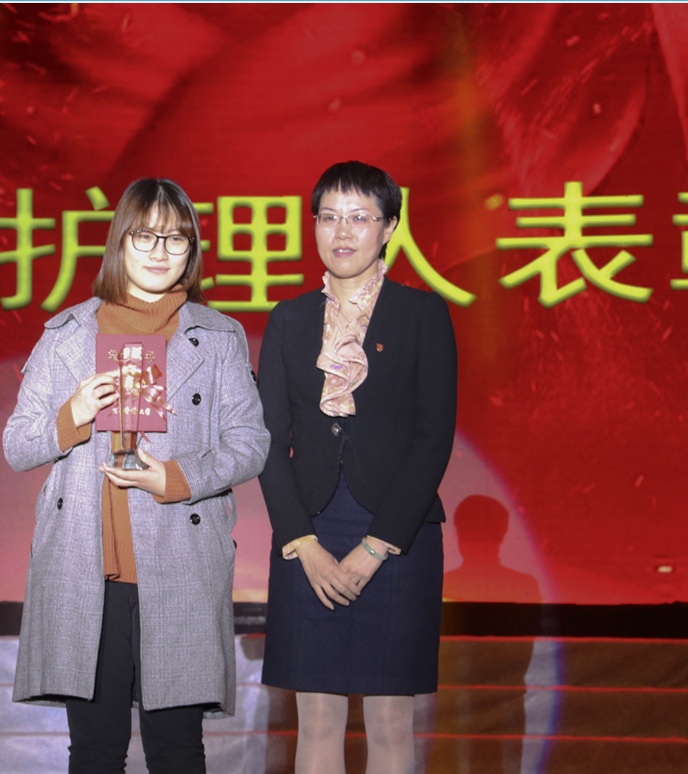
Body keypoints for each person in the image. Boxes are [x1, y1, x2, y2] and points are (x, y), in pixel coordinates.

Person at [3, 178, 269, 774]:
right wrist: (72, 414)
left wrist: (175, 478)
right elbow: (17, 445)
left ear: (191, 251)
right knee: (94, 753)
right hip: (84, 568)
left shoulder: (217, 337)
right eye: (144, 235)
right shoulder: (67, 334)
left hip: (180, 562)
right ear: (119, 242)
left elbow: (251, 445)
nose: (159, 251)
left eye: (175, 239)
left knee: (177, 753)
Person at [257, 161, 457, 774]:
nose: (342, 232)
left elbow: (433, 440)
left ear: (389, 227)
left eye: (360, 217)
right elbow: (268, 442)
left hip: (397, 537)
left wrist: (375, 548)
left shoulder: (423, 314)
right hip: (308, 535)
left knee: (391, 723)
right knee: (316, 720)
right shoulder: (288, 319)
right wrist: (302, 543)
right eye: (329, 217)